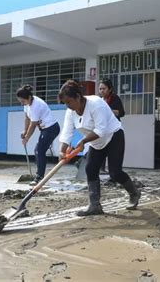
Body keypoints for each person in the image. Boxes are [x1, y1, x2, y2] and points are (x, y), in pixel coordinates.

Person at [58, 79, 141, 216]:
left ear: (78, 97)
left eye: (69, 102)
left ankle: (134, 193)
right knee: (90, 168)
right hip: (95, 142)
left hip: (113, 136)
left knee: (115, 173)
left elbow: (101, 130)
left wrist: (83, 141)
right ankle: (95, 206)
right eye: (65, 104)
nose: (68, 106)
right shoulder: (70, 112)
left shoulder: (96, 104)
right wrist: (62, 151)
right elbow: (66, 133)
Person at [17, 84, 60, 186]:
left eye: (23, 101)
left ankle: (39, 177)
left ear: (29, 97)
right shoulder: (27, 105)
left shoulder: (36, 105)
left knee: (39, 150)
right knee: (39, 150)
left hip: (51, 128)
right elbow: (27, 118)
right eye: (21, 102)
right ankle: (39, 175)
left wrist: (27, 138)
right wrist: (24, 130)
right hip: (44, 129)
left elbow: (33, 124)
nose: (22, 104)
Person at [98, 78, 125, 175]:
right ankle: (101, 169)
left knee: (113, 152)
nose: (101, 91)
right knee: (101, 148)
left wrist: (108, 110)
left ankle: (114, 174)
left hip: (113, 129)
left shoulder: (115, 98)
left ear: (109, 89)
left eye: (104, 89)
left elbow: (121, 113)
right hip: (102, 128)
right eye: (100, 89)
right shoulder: (98, 100)